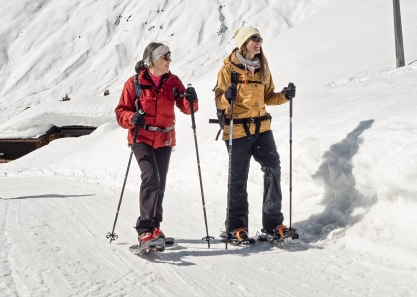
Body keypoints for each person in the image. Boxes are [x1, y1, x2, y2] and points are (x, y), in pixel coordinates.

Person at [214, 26, 296, 242]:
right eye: (254, 39)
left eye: (260, 38)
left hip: (262, 129)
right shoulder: (228, 69)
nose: (259, 42)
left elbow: (268, 97)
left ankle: (272, 225)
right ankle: (236, 227)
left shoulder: (262, 68)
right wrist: (226, 97)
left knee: (273, 170)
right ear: (244, 43)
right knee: (238, 179)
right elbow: (219, 99)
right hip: (237, 130)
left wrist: (285, 96)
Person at [115, 42, 198, 250]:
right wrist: (132, 117)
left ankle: (155, 227)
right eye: (166, 57)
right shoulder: (134, 83)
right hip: (140, 138)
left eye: (169, 57)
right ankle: (144, 229)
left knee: (160, 181)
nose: (170, 61)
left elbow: (187, 109)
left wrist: (191, 99)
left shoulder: (173, 82)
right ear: (153, 60)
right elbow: (120, 112)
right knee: (151, 176)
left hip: (165, 138)